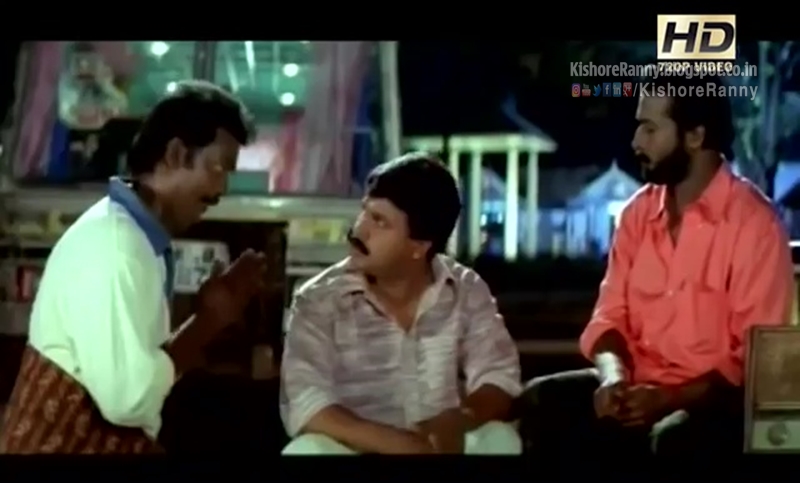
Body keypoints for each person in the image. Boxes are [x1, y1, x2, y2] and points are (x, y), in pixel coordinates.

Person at [519, 74, 794, 460]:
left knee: (673, 438)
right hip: (636, 386)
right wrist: (613, 378)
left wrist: (669, 398)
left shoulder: (754, 225)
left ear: (695, 136)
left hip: (713, 401)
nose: (636, 142)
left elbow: (752, 361)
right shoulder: (637, 215)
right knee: (541, 401)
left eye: (650, 129)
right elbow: (609, 317)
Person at [0, 80, 268, 454]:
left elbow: (140, 375)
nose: (221, 190)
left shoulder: (135, 236)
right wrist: (206, 323)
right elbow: (129, 402)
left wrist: (210, 317)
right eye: (219, 167)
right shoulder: (116, 246)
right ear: (176, 154)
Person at [280, 153, 523, 455]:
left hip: (443, 448)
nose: (359, 230)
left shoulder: (465, 290)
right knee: (306, 450)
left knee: (499, 439)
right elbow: (305, 401)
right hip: (357, 451)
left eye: (380, 221)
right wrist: (399, 444)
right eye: (364, 212)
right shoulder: (319, 298)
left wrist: (462, 419)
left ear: (419, 246)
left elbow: (498, 375)